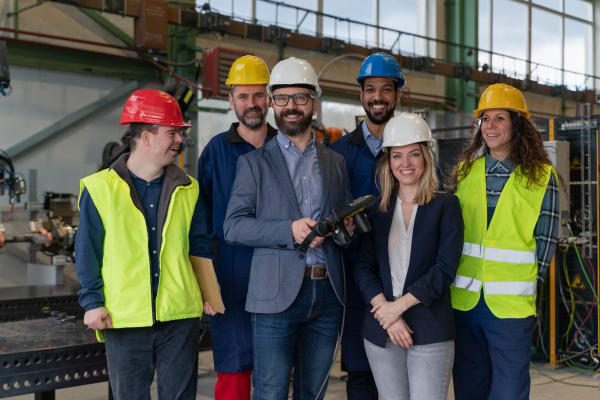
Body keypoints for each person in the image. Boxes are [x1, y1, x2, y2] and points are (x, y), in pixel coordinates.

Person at [223, 57, 353, 400]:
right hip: (274, 296)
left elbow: (345, 225)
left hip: (328, 295)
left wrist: (348, 226)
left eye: (300, 98)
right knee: (270, 392)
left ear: (314, 102)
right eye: (282, 98)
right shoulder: (252, 164)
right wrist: (288, 230)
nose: (291, 106)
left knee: (313, 393)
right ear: (271, 103)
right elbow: (233, 227)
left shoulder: (335, 162)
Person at [75, 89, 213, 400]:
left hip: (179, 317)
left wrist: (208, 293)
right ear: (147, 137)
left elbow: (199, 247)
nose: (179, 140)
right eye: (172, 133)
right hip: (124, 318)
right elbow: (87, 252)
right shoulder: (99, 189)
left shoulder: (189, 189)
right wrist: (92, 302)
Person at [449, 83, 560, 400]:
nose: (491, 126)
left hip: (510, 309)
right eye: (485, 119)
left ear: (517, 123)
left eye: (500, 118)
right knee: (470, 390)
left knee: (509, 393)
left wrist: (524, 284)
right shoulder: (465, 171)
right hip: (465, 301)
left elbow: (546, 241)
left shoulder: (540, 175)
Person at [354, 113, 463, 400]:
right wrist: (387, 314)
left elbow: (445, 269)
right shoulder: (376, 209)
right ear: (388, 162)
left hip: (430, 328)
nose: (405, 164)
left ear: (426, 157)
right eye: (397, 156)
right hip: (382, 330)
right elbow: (363, 268)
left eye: (414, 154)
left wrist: (396, 308)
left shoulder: (446, 205)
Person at [197, 55, 277, 400]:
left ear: (269, 99)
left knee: (275, 374)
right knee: (233, 375)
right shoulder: (215, 151)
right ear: (231, 101)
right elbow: (199, 220)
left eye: (258, 95)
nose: (251, 104)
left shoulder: (288, 146)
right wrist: (204, 284)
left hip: (280, 276)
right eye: (243, 96)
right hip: (229, 280)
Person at [329, 52, 404, 400]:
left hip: (404, 278)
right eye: (370, 89)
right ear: (360, 95)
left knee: (402, 372)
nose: (378, 97)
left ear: (398, 95)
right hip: (356, 281)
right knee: (360, 375)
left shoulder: (410, 150)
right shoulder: (337, 153)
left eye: (386, 89)